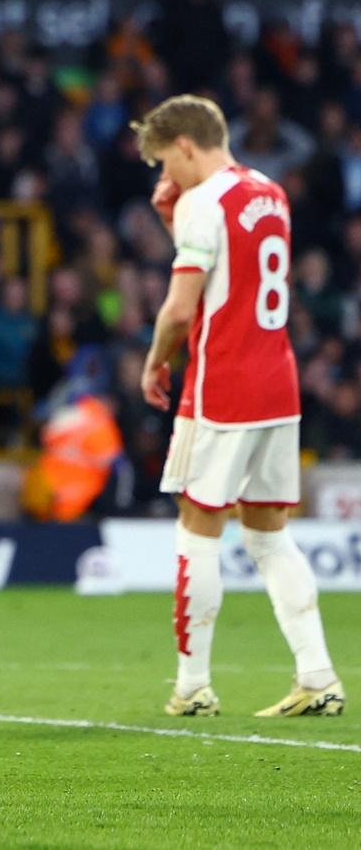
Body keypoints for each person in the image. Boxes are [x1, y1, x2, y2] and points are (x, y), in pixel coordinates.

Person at [134, 94, 344, 718]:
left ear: (186, 146)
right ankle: (319, 676)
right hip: (278, 384)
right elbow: (240, 273)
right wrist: (176, 221)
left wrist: (154, 361)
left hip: (223, 385)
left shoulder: (203, 200)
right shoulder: (269, 191)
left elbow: (180, 306)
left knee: (197, 528)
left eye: (165, 163)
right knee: (269, 536)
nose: (165, 178)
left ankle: (192, 685)